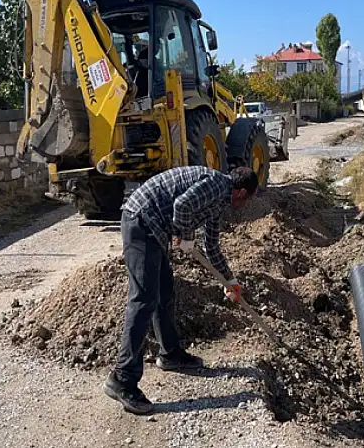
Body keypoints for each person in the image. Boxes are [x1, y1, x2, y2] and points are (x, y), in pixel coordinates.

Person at [103, 165, 259, 415]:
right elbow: (182, 207)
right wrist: (185, 235)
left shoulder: (219, 201)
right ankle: (122, 378)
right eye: (248, 199)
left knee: (164, 293)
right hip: (141, 222)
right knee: (143, 300)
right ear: (241, 192)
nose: (246, 205)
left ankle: (170, 353)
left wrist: (230, 281)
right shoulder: (216, 185)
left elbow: (212, 246)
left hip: (155, 229)